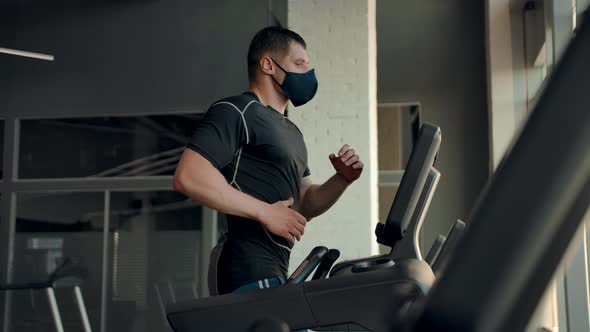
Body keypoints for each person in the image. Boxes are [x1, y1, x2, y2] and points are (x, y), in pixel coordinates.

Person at [173, 26, 364, 297]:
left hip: (276, 270)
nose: (307, 74)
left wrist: (342, 179)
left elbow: (305, 202)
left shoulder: (292, 132)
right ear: (268, 65)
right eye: (298, 64)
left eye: (308, 66)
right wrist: (265, 212)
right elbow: (189, 176)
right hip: (246, 269)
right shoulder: (236, 111)